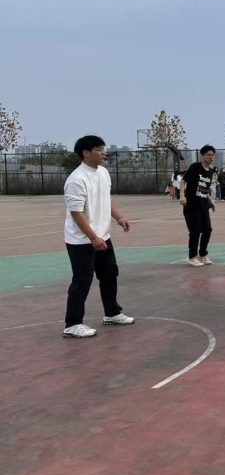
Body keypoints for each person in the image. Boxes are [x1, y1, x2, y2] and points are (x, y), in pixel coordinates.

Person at [62, 135, 135, 338]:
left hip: (102, 236)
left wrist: (119, 217)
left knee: (110, 273)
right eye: (99, 149)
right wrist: (93, 238)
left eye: (103, 148)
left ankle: (112, 313)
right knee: (82, 280)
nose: (104, 153)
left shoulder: (103, 172)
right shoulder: (76, 179)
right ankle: (72, 324)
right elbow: (76, 213)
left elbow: (106, 199)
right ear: (86, 153)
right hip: (81, 240)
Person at [180, 146, 216, 267]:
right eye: (208, 155)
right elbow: (183, 181)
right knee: (195, 231)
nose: (211, 157)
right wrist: (182, 196)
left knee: (207, 229)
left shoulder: (210, 171)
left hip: (203, 205)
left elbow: (205, 188)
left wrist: (210, 201)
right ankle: (191, 256)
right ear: (203, 156)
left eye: (212, 155)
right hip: (192, 204)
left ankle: (202, 254)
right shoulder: (195, 167)